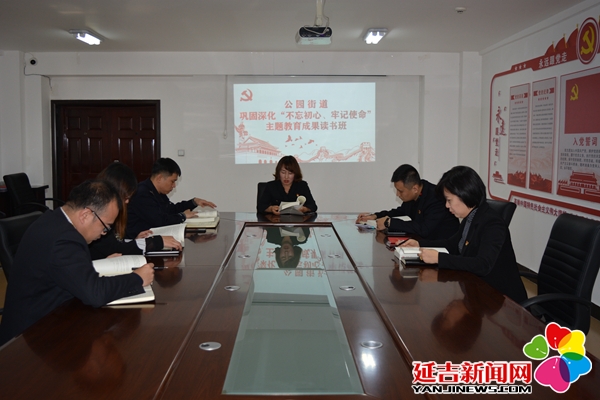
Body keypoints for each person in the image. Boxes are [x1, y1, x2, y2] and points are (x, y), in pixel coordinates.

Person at [0, 180, 155, 346]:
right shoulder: (64, 239)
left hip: (51, 318)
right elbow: (94, 294)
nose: (104, 234)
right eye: (106, 227)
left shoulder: (54, 220)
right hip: (30, 337)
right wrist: (137, 278)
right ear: (85, 215)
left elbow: (62, 269)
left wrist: (100, 264)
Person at [401, 165, 527, 303]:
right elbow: (452, 244)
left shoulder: (493, 224)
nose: (447, 206)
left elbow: (483, 265)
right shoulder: (471, 217)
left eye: (449, 200)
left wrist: (439, 258)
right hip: (477, 290)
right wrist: (419, 244)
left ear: (464, 194)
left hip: (501, 301)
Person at [89, 162, 182, 260]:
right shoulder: (98, 215)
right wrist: (156, 242)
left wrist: (135, 240)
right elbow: (114, 249)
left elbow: (117, 244)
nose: (127, 201)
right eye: (125, 197)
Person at [356, 164, 458, 239]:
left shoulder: (436, 198)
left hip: (442, 249)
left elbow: (423, 229)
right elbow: (400, 212)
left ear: (415, 189)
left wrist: (389, 223)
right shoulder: (414, 195)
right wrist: (375, 216)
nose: (397, 194)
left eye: (400, 191)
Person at [126, 157, 216, 239]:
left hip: (152, 238)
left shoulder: (157, 191)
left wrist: (193, 202)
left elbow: (171, 210)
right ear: (159, 178)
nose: (174, 186)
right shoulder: (142, 193)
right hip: (136, 242)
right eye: (172, 181)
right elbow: (160, 221)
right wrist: (183, 216)